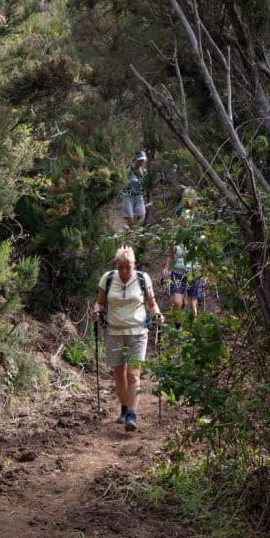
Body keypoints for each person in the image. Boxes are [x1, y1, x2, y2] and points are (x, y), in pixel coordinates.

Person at [92, 245, 163, 432]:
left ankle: (132, 413)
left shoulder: (142, 278)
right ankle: (124, 408)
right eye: (121, 266)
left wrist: (157, 315)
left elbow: (152, 303)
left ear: (134, 264)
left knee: (133, 374)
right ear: (117, 265)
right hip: (114, 332)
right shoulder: (107, 278)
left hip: (138, 332)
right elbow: (99, 302)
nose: (124, 270)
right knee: (119, 374)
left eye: (128, 266)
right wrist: (96, 312)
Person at [162, 187, 204, 327]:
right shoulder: (175, 235)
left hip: (194, 270)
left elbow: (203, 253)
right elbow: (170, 253)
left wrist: (206, 271)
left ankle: (195, 328)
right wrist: (166, 267)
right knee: (177, 302)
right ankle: (177, 326)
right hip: (178, 271)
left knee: (193, 302)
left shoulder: (198, 235)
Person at [121, 151, 147, 228]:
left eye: (143, 161)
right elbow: (124, 177)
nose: (141, 162)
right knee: (130, 218)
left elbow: (146, 184)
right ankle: (131, 234)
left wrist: (158, 180)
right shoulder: (129, 168)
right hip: (128, 195)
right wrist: (133, 168)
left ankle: (137, 233)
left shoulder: (143, 171)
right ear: (135, 160)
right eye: (140, 160)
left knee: (141, 215)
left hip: (139, 196)